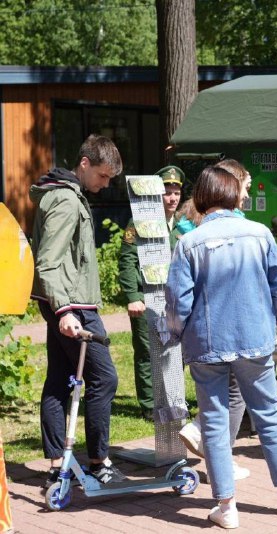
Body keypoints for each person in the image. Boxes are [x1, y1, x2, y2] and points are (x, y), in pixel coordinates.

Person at [166, 166, 277, 529]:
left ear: (202, 196)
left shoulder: (189, 242)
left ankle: (226, 506)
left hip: (208, 343)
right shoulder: (260, 234)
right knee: (269, 415)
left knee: (214, 424)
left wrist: (175, 333)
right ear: (234, 195)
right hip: (254, 339)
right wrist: (267, 318)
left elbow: (177, 303)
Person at [30, 134, 127, 485]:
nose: (105, 185)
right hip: (71, 305)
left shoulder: (58, 194)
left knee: (58, 380)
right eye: (102, 176)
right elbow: (48, 262)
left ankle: (58, 466)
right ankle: (100, 461)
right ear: (84, 164)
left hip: (62, 302)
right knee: (105, 378)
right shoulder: (67, 201)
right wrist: (64, 311)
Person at [177, 158, 254, 481]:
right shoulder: (236, 227)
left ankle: (212, 449)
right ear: (231, 187)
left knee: (217, 391)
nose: (247, 196)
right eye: (245, 187)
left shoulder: (189, 223)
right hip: (230, 323)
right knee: (237, 390)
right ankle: (215, 451)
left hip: (201, 327)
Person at [118, 165, 183, 421]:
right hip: (146, 297)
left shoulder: (182, 224)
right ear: (157, 194)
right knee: (147, 351)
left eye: (176, 192)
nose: (172, 198)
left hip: (175, 299)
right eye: (167, 192)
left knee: (175, 349)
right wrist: (133, 296)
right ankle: (149, 405)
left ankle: (173, 398)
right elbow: (126, 261)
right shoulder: (139, 222)